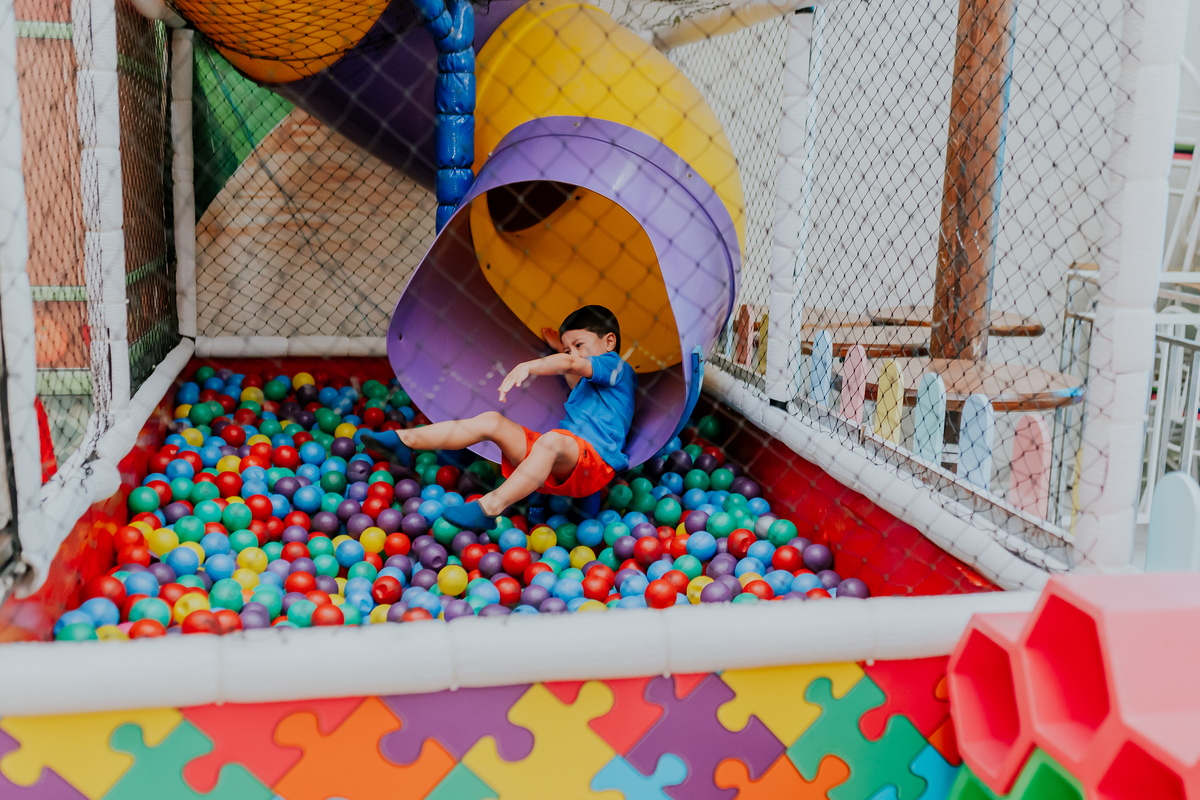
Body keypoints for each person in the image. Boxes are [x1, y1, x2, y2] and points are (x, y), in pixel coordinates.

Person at [362, 305, 637, 530]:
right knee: (493, 421)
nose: (572, 354)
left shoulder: (616, 367)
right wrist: (560, 348)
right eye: (568, 349)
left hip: (593, 465)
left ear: (609, 341)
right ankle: (404, 440)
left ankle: (490, 507)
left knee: (553, 440)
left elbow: (572, 364)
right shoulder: (590, 384)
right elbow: (573, 371)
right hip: (558, 460)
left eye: (579, 344)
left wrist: (530, 366)